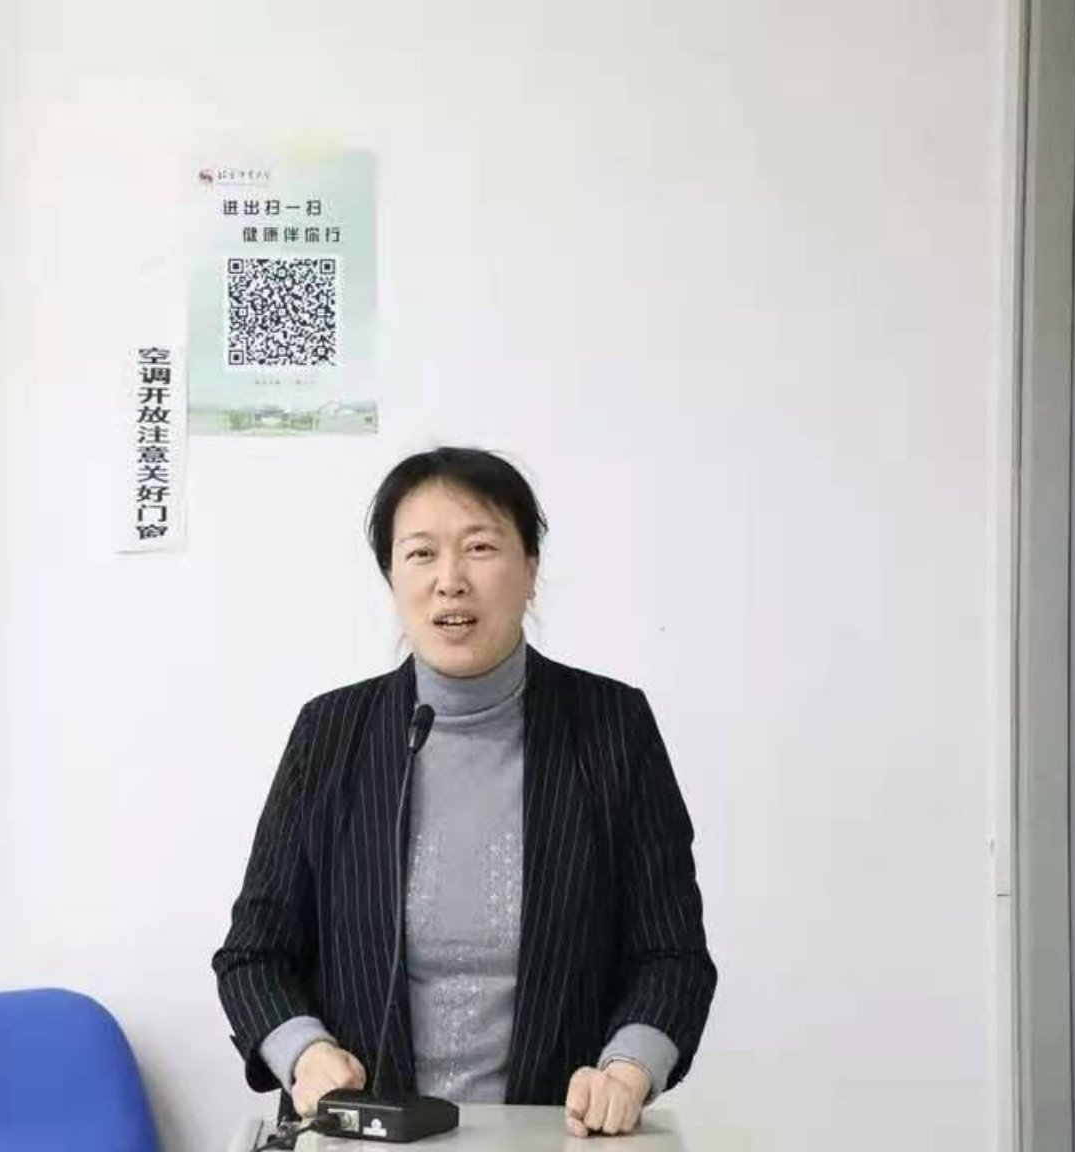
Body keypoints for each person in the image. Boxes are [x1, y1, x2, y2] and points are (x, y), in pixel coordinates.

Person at [213, 447, 717, 1138]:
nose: (450, 581)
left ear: (530, 570)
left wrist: (628, 1069)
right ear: (392, 577)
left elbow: (672, 954)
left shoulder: (613, 727)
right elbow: (254, 953)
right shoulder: (330, 733)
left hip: (554, 1133)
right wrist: (304, 1053)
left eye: (480, 547)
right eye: (421, 554)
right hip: (365, 1133)